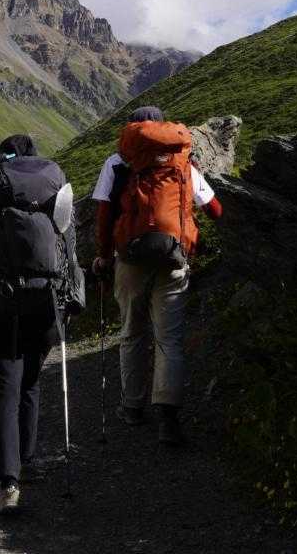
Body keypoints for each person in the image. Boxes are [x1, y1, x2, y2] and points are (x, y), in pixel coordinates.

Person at [0, 135, 84, 514]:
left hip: (3, 305)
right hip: (46, 304)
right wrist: (71, 300)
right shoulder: (56, 193)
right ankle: (27, 461)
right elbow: (70, 251)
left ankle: (8, 482)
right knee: (30, 383)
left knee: (6, 390)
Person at [90, 105, 223, 446]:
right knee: (169, 338)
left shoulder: (117, 161)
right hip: (173, 255)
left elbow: (104, 212)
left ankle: (132, 407)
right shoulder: (181, 160)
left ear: (132, 131)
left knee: (132, 332)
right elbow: (214, 208)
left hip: (130, 258)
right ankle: (168, 417)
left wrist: (103, 255)